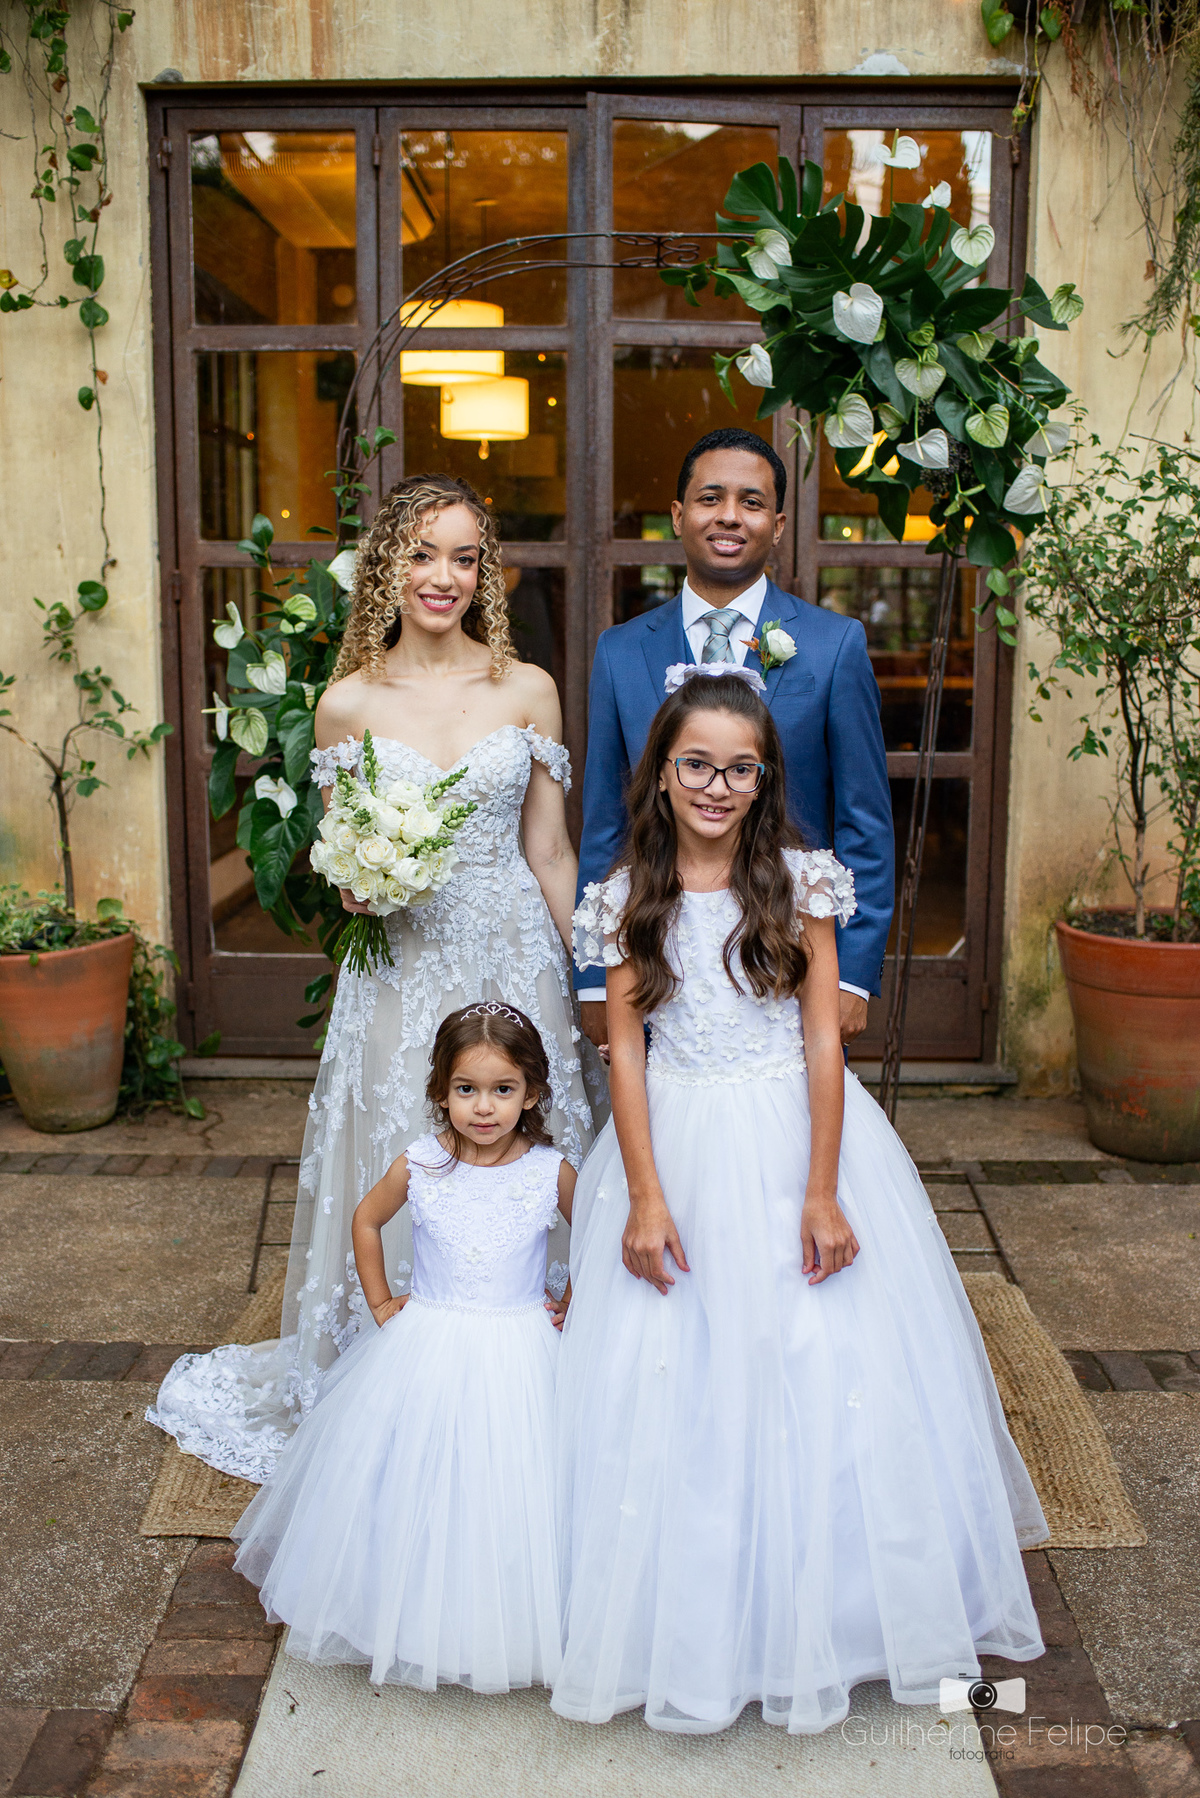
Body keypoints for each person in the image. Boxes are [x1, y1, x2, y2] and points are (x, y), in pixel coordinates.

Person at [553, 667, 1045, 1736]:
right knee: (674, 1366)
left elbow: (823, 1039)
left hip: (796, 1134)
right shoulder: (624, 897)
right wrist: (645, 1196)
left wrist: (822, 1191)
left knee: (819, 1356)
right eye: (697, 764)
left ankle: (843, 1612)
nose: (717, 786)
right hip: (674, 1138)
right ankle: (690, 1614)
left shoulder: (802, 884)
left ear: (765, 777)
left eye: (741, 768)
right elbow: (625, 1056)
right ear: (662, 771)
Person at [148, 474, 602, 1481]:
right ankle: (396, 1375)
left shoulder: (527, 690)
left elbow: (550, 851)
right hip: (403, 966)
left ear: (485, 572)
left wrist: (591, 976)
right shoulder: (346, 704)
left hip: (513, 954)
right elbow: (342, 855)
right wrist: (358, 880)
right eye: (422, 553)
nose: (444, 576)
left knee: (527, 1147)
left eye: (464, 557)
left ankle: (540, 1364)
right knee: (409, 1142)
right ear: (386, 565)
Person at [232, 1003, 576, 1693]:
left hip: (521, 1342)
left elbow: (593, 1234)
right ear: (441, 1092)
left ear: (533, 1093)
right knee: (419, 1473)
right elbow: (366, 1219)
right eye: (466, 1089)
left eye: (503, 1090)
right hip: (429, 1338)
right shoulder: (421, 1162)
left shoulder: (551, 1170)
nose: (484, 1107)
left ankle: (508, 1618)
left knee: (517, 1478)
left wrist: (576, 1299)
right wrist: (382, 1301)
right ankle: (405, 1608)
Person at [575, 426, 893, 1055]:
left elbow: (865, 821)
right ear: (678, 516)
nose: (729, 516)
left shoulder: (835, 646)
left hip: (788, 950)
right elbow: (606, 822)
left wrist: (853, 973)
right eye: (710, 498)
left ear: (778, 525)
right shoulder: (620, 652)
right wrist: (592, 976)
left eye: (751, 502)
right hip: (655, 955)